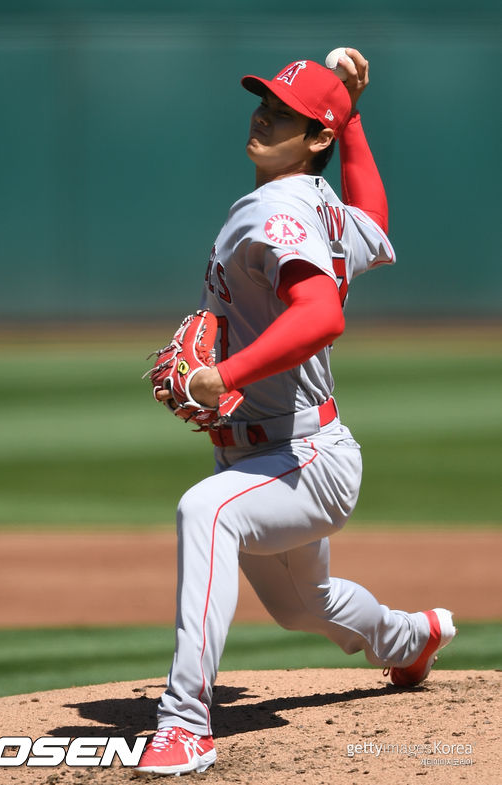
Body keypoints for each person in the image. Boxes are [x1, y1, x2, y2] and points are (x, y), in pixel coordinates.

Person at [135, 49, 456, 777]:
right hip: (275, 451)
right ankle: (410, 638)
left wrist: (225, 374)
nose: (263, 117)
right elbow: (372, 219)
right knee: (302, 606)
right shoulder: (318, 203)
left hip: (304, 455)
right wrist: (356, 119)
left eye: (285, 114)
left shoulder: (277, 209)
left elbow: (320, 317)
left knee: (206, 511)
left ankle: (185, 723)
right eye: (265, 103)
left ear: (316, 137)